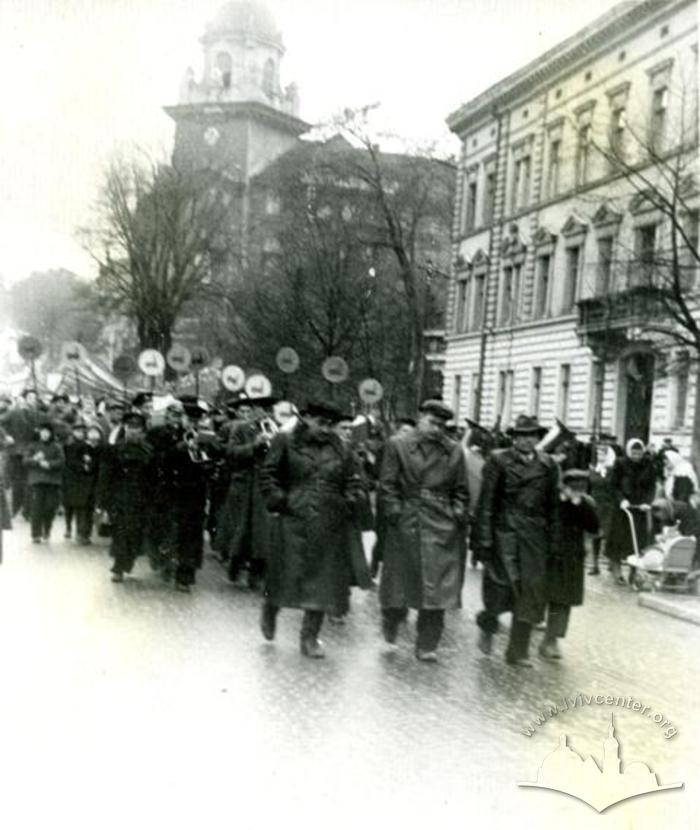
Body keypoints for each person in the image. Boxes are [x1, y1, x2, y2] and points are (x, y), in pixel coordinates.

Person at [258, 400, 364, 658]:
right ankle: (271, 608)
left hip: (329, 520)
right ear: (305, 418)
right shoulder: (285, 441)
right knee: (285, 573)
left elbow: (354, 480)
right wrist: (279, 498)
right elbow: (268, 473)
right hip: (293, 516)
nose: (326, 429)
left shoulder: (342, 448)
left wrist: (348, 500)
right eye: (321, 423)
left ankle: (310, 637)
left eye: (331, 424)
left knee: (322, 581)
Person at [379, 399, 469, 661]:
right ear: (419, 418)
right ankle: (392, 618)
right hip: (407, 519)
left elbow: (461, 490)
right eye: (432, 422)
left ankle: (427, 644)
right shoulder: (398, 445)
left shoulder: (453, 451)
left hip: (442, 524)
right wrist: (395, 512)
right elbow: (388, 484)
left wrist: (457, 514)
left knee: (437, 588)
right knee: (400, 583)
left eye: (442, 425)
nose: (437, 429)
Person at [474, 414, 560, 667]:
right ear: (514, 438)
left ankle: (518, 651)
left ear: (538, 438)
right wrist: (484, 539)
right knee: (499, 591)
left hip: (535, 536)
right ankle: (488, 626)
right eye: (521, 436)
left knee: (530, 594)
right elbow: (486, 503)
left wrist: (555, 542)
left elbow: (553, 507)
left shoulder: (548, 465)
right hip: (505, 533)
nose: (526, 441)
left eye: (531, 435)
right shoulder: (498, 461)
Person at [539, 469, 599, 660]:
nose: (577, 492)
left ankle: (551, 640)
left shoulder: (585, 503)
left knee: (562, 600)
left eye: (581, 489)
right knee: (542, 595)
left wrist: (580, 506)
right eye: (573, 488)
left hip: (571, 557)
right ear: (564, 486)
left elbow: (593, 527)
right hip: (549, 554)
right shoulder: (552, 501)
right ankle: (536, 627)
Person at [218, 395, 275, 588]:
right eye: (261, 410)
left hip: (263, 486)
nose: (264, 414)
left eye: (268, 410)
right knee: (241, 531)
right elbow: (231, 453)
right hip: (243, 485)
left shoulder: (275, 431)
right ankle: (235, 564)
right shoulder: (241, 428)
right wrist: (255, 445)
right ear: (253, 411)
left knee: (261, 533)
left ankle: (257, 572)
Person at [96, 411, 153, 582]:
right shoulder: (114, 451)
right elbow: (104, 478)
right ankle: (118, 568)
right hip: (119, 499)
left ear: (143, 431)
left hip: (141, 500)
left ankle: (126, 563)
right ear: (125, 429)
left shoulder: (148, 452)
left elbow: (153, 478)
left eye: (137, 428)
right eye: (130, 427)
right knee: (121, 533)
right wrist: (102, 503)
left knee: (135, 534)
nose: (133, 431)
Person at [606, 438, 657, 584]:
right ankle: (617, 571)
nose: (636, 457)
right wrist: (621, 499)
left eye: (639, 453)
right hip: (623, 508)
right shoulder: (620, 463)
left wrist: (647, 502)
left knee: (636, 543)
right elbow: (613, 485)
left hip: (639, 507)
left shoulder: (648, 464)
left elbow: (651, 486)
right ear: (628, 452)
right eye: (633, 453)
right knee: (618, 541)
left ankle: (633, 572)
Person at [24, 422, 65, 543]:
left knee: (50, 507)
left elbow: (62, 461)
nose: (45, 434)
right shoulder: (33, 446)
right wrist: (36, 460)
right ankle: (36, 534)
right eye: (43, 432)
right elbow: (25, 461)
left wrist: (49, 464)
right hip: (37, 481)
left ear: (51, 433)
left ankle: (47, 530)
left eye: (48, 432)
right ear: (39, 433)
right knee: (36, 508)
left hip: (52, 481)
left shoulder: (56, 447)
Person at [62, 421, 101, 544]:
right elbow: (70, 462)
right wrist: (83, 466)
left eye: (82, 431)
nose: (81, 433)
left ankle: (84, 533)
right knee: (81, 507)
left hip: (90, 480)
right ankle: (81, 533)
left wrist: (90, 465)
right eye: (78, 431)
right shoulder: (73, 446)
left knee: (87, 508)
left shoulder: (94, 447)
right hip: (77, 481)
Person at [587, 439, 619, 575]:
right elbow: (589, 486)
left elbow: (616, 487)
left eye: (603, 454)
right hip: (596, 505)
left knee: (610, 535)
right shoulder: (594, 469)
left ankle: (612, 563)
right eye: (599, 454)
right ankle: (595, 565)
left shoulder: (613, 470)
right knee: (596, 536)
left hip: (609, 505)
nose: (600, 457)